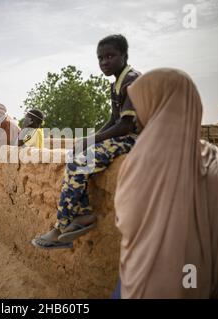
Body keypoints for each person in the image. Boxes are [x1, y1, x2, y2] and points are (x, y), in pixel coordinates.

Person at [114, 68, 218, 298]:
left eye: (139, 104)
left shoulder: (140, 158)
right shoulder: (215, 157)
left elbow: (127, 220)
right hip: (195, 274)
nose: (135, 116)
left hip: (143, 274)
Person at [32, 34, 141, 249]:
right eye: (100, 58)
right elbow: (113, 120)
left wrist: (90, 140)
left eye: (110, 56)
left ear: (125, 55)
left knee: (79, 162)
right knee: (75, 153)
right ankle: (83, 214)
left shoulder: (133, 80)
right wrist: (86, 140)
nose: (104, 62)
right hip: (123, 137)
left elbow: (126, 125)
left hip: (135, 139)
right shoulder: (116, 84)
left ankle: (61, 228)